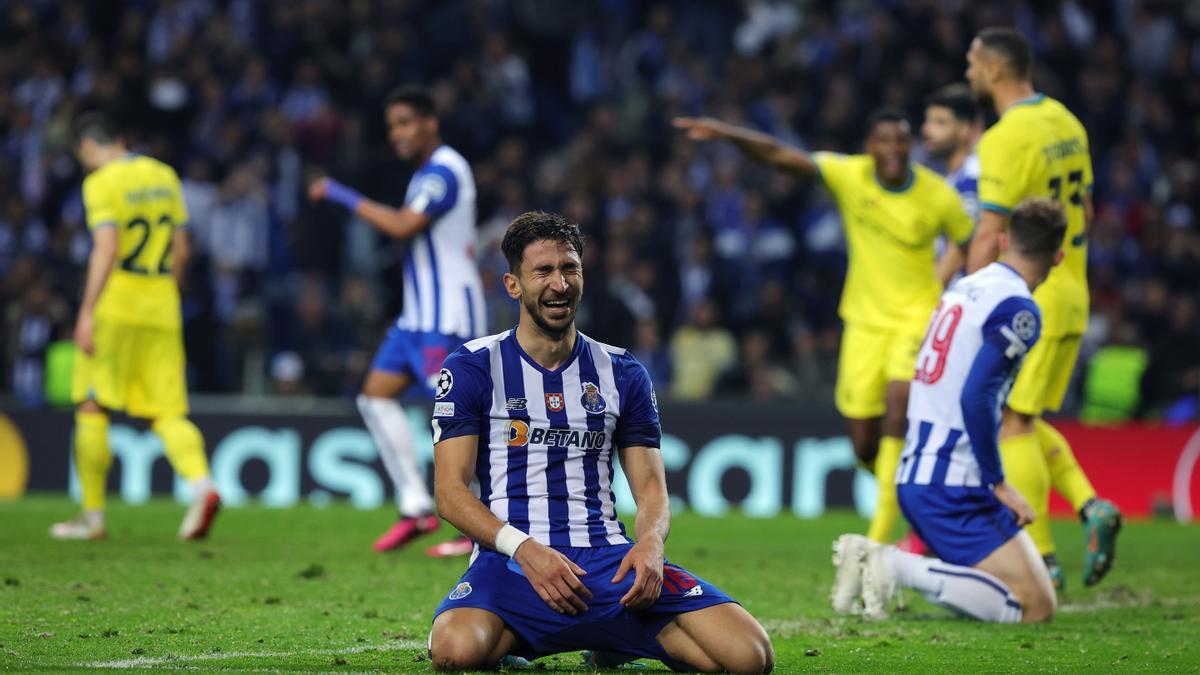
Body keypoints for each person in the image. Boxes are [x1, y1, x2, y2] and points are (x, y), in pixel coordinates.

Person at [426, 211, 774, 672]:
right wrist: (525, 549)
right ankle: (522, 637)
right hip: (511, 562)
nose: (560, 284)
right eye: (543, 271)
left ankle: (613, 640)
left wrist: (650, 543)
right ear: (513, 286)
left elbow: (651, 487)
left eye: (570, 268)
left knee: (750, 659)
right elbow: (450, 495)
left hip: (609, 561)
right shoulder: (472, 366)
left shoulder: (623, 371)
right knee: (455, 652)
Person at [674, 109, 973, 546]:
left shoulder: (937, 195)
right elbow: (779, 155)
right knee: (864, 444)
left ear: (911, 147)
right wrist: (728, 133)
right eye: (882, 141)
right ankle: (906, 489)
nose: (891, 150)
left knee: (900, 401)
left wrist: (939, 285)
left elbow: (969, 239)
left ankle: (878, 540)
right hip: (864, 325)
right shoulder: (850, 175)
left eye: (900, 142)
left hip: (916, 318)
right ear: (869, 146)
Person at [832, 197, 1067, 624]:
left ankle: (898, 566)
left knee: (1009, 590)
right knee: (1036, 606)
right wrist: (999, 483)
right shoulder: (1017, 309)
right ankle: (891, 565)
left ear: (1001, 240)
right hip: (954, 483)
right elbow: (975, 397)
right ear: (1059, 257)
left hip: (919, 469)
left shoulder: (963, 287)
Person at [965, 27, 1122, 588]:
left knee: (1012, 425)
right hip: (1070, 285)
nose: (967, 74)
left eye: (972, 64)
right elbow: (1088, 207)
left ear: (994, 69)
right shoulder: (1066, 121)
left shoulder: (1007, 137)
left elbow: (989, 231)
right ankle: (1090, 506)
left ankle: (1041, 560)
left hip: (1029, 298)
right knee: (1027, 419)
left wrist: (965, 302)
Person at [309, 87, 486, 557]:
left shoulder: (445, 169)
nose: (397, 135)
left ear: (431, 122)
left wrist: (340, 194)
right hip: (416, 318)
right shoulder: (425, 174)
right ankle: (415, 506)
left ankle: (480, 526)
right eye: (392, 127)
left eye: (406, 123)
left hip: (447, 316)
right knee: (374, 397)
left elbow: (405, 225)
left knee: (459, 418)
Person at [51, 112, 219, 541]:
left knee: (93, 404)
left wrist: (86, 311)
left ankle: (92, 517)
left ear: (89, 146)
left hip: (117, 302)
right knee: (167, 410)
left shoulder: (101, 183)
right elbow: (181, 249)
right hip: (161, 300)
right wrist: (169, 294)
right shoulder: (165, 175)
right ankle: (203, 486)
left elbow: (106, 247)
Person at [922, 83, 982, 224]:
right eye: (927, 120)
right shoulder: (953, 178)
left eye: (940, 122)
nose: (927, 129)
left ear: (965, 129)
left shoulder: (975, 179)